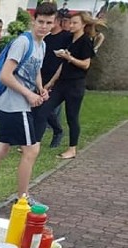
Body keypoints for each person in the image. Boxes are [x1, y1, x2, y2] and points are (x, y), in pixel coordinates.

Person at [0, 2, 57, 209]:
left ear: (53, 24)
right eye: (40, 22)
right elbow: (5, 76)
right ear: (33, 21)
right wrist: (28, 94)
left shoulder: (41, 45)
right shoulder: (23, 42)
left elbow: (35, 69)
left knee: (0, 149)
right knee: (32, 150)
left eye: (48, 23)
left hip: (18, 104)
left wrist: (40, 88)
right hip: (14, 105)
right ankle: (23, 197)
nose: (43, 26)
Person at [35, 11, 105, 160]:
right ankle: (35, 144)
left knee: (72, 117)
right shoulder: (70, 39)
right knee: (43, 110)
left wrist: (69, 57)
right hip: (62, 83)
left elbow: (86, 64)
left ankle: (72, 149)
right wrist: (50, 83)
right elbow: (62, 65)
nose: (71, 25)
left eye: (75, 23)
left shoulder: (85, 41)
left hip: (75, 85)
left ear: (83, 25)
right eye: (70, 22)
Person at [37, 9, 73, 148]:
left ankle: (57, 131)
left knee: (47, 107)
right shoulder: (47, 38)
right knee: (39, 107)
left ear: (57, 21)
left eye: (50, 22)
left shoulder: (66, 37)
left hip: (56, 77)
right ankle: (36, 139)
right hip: (43, 74)